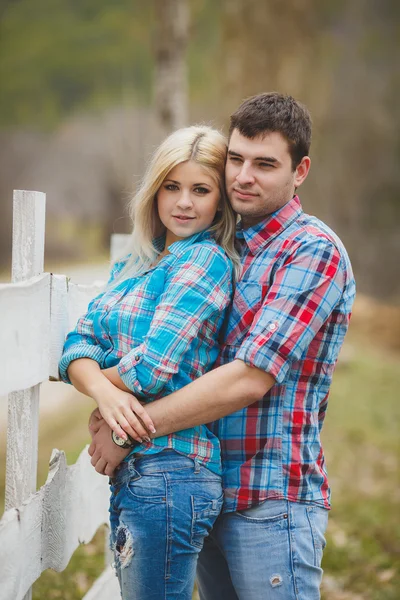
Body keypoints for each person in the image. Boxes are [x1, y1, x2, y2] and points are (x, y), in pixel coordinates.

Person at [89, 93, 356, 600]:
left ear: (300, 171)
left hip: (270, 500)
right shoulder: (226, 249)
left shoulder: (310, 250)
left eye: (265, 164)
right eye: (235, 159)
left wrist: (127, 429)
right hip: (211, 487)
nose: (243, 177)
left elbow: (249, 377)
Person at [58, 125, 241, 600]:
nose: (184, 202)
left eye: (200, 190)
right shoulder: (135, 266)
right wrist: (104, 394)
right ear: (154, 191)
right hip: (141, 472)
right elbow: (78, 343)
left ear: (220, 200)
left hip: (173, 471)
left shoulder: (206, 262)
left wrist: (105, 398)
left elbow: (151, 369)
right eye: (171, 187)